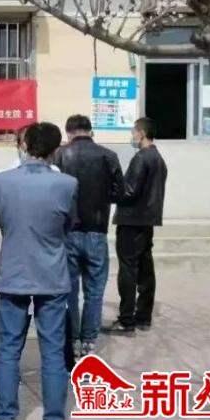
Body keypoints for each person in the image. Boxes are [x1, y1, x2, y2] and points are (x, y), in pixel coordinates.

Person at [0, 122, 76, 420]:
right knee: (53, 352)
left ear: (24, 146)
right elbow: (69, 223)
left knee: (9, 349)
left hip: (13, 274)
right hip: (52, 276)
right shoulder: (67, 184)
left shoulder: (1, 182)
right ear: (55, 150)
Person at [53, 115, 124, 357]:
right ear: (90, 131)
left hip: (68, 231)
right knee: (95, 291)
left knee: (70, 290)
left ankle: (72, 338)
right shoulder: (108, 156)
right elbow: (120, 192)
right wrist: (102, 197)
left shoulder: (59, 155)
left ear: (69, 132)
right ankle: (89, 342)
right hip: (97, 230)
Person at [103, 117, 168, 334]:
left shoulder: (141, 158)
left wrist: (109, 192)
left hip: (131, 220)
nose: (132, 136)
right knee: (145, 268)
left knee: (128, 270)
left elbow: (129, 191)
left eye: (133, 132)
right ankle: (143, 317)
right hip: (147, 220)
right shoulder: (158, 159)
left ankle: (126, 319)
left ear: (141, 133)